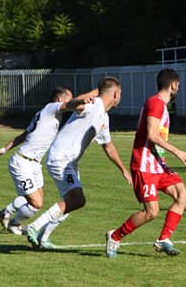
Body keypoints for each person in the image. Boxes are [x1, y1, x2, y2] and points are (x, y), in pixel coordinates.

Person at [24, 77, 132, 250]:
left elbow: (108, 147)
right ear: (116, 94)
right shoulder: (93, 105)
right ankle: (35, 226)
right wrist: (83, 98)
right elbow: (73, 105)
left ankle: (43, 238)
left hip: (70, 162)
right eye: (121, 93)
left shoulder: (104, 117)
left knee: (71, 201)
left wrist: (123, 170)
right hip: (61, 158)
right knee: (77, 199)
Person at [106, 69, 186, 258]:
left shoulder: (161, 105)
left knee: (183, 195)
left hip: (157, 165)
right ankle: (115, 235)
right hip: (144, 165)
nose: (178, 87)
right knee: (151, 212)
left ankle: (163, 239)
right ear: (173, 85)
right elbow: (152, 135)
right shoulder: (155, 103)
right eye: (178, 84)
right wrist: (176, 151)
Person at [0, 86, 96, 235]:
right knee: (35, 202)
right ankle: (13, 223)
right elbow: (72, 104)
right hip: (22, 163)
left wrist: (3, 149)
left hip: (34, 165)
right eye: (70, 98)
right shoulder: (51, 108)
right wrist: (96, 92)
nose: (72, 100)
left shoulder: (46, 114)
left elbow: (25, 135)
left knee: (37, 203)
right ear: (60, 99)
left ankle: (5, 214)